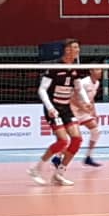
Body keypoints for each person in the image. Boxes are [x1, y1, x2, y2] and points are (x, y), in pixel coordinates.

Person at [29, 39, 82, 185]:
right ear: (67, 50)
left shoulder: (77, 68)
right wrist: (50, 108)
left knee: (77, 140)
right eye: (75, 47)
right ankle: (35, 169)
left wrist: (85, 101)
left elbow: (78, 88)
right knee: (62, 141)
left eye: (78, 47)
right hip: (54, 108)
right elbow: (42, 89)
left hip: (66, 108)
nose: (78, 50)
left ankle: (59, 174)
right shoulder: (55, 67)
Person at [66, 66, 105, 167]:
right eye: (97, 69)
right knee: (73, 138)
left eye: (100, 69)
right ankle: (57, 158)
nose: (100, 71)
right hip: (73, 110)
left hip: (84, 112)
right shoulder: (83, 82)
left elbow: (91, 99)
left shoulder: (97, 83)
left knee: (96, 131)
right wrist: (82, 107)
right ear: (91, 71)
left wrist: (94, 112)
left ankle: (88, 157)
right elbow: (71, 97)